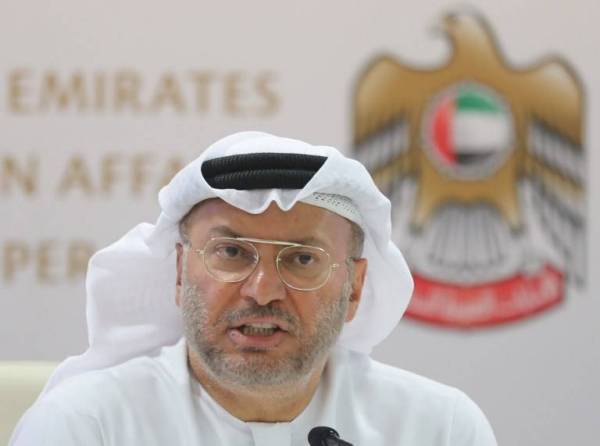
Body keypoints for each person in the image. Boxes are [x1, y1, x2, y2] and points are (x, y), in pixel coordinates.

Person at [10, 132, 497, 445]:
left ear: (354, 288)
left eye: (303, 259)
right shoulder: (86, 427)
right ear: (181, 272)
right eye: (232, 254)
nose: (262, 291)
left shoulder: (439, 429)